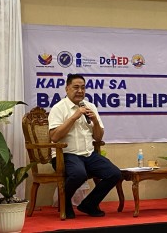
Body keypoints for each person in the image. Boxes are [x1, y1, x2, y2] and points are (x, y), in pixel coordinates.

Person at [48, 73, 122, 219]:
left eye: (83, 88)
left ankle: (89, 204)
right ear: (67, 89)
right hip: (66, 154)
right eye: (76, 87)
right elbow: (54, 137)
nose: (80, 91)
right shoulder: (58, 108)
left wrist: (95, 121)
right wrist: (74, 116)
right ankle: (65, 203)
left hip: (88, 154)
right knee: (79, 174)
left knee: (115, 174)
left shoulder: (90, 106)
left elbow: (98, 137)